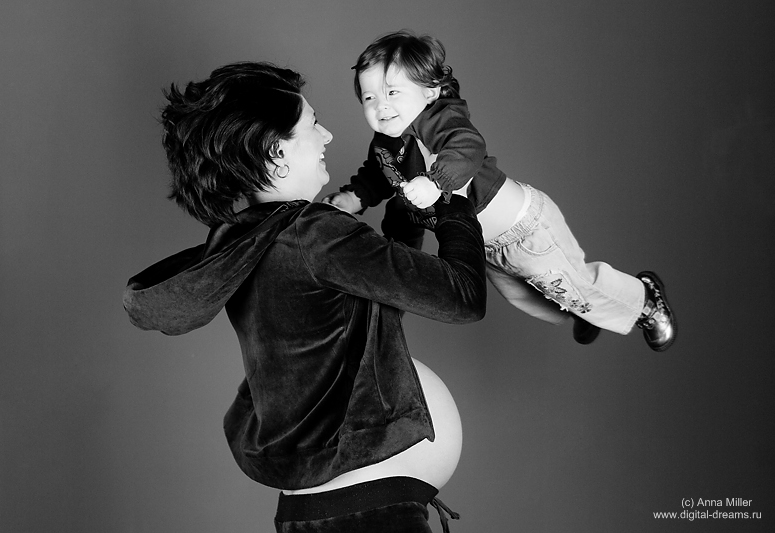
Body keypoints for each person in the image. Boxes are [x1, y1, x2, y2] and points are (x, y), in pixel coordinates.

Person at [123, 61, 487, 532]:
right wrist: (457, 205)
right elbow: (462, 297)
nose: (329, 135)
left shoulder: (248, 239)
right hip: (366, 513)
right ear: (277, 151)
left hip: (323, 510)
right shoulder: (314, 234)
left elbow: (376, 306)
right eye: (313, 124)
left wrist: (405, 213)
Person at [324, 30, 677, 352]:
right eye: (368, 97)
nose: (380, 106)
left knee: (574, 285)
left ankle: (646, 301)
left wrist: (435, 182)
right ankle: (583, 309)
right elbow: (377, 176)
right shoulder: (385, 144)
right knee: (526, 298)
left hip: (525, 230)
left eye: (392, 92)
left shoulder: (440, 119)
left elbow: (467, 146)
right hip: (488, 247)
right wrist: (353, 197)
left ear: (428, 91)